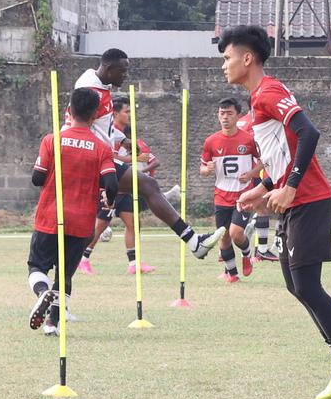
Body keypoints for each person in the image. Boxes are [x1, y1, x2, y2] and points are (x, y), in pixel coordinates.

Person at [219, 24, 331, 399]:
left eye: (227, 57)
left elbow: (309, 133)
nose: (224, 65)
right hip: (292, 202)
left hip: (310, 199)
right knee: (296, 285)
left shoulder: (270, 91)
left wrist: (290, 186)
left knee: (308, 285)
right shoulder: (256, 103)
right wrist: (266, 184)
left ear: (247, 58)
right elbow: (281, 155)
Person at [68, 48, 224, 260]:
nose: (125, 76)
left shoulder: (101, 87)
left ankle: (194, 242)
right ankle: (193, 242)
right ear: (108, 68)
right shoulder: (89, 89)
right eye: (122, 71)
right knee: (141, 189)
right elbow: (78, 124)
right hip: (88, 159)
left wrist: (123, 140)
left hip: (97, 158)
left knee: (142, 189)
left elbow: (100, 126)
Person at [27, 87, 119, 335]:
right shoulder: (101, 148)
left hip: (50, 217)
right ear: (94, 117)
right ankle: (51, 325)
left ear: (69, 111)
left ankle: (41, 292)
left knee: (37, 266)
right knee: (65, 274)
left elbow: (37, 178)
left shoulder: (51, 140)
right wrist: (108, 202)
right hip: (81, 223)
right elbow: (111, 183)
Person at [78, 95, 159, 275]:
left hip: (125, 190)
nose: (130, 115)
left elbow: (151, 160)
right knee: (98, 228)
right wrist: (134, 159)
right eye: (127, 111)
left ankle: (133, 264)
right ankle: (82, 259)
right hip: (109, 188)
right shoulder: (109, 132)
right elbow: (109, 158)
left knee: (133, 224)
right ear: (115, 113)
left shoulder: (127, 136)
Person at [199, 97, 260, 282]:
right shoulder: (211, 141)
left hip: (243, 195)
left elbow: (264, 161)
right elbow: (202, 169)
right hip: (221, 196)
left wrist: (251, 174)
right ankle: (233, 275)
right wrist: (206, 170)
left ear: (238, 116)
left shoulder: (248, 140)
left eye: (229, 113)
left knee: (235, 233)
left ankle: (247, 254)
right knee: (223, 238)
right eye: (222, 113)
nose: (225, 117)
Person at [237, 108, 279, 262]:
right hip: (255, 170)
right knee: (264, 208)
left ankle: (258, 246)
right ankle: (261, 249)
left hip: (240, 172)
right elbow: (261, 147)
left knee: (259, 207)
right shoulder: (256, 122)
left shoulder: (241, 121)